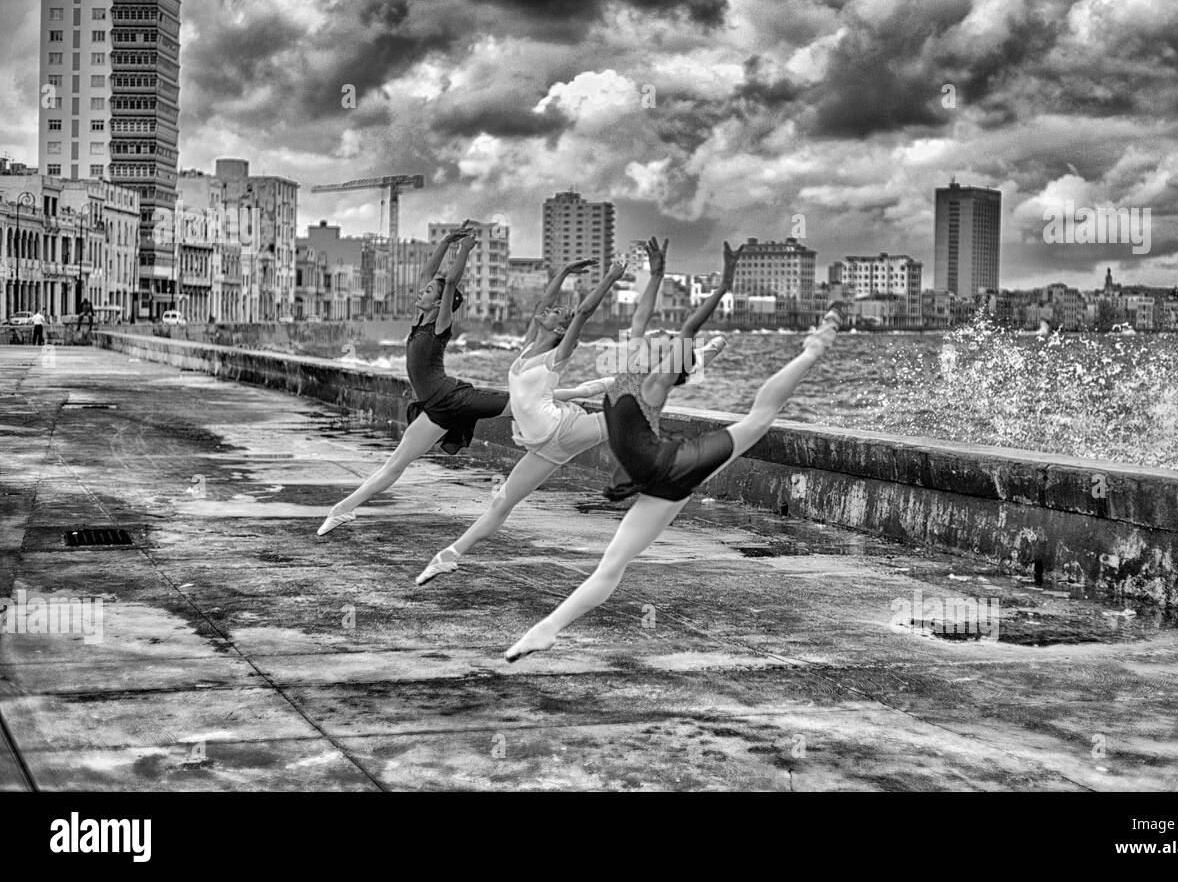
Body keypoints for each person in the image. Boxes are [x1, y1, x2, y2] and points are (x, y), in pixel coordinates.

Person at [505, 248, 841, 663]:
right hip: (661, 487)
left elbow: (687, 326)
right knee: (612, 564)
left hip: (674, 466)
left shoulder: (654, 383)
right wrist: (658, 274)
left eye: (660, 346)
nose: (652, 342)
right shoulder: (632, 368)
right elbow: (642, 317)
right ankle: (545, 631)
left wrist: (720, 288)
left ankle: (812, 349)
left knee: (757, 420)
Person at [415, 254, 628, 583]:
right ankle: (448, 556)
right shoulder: (529, 347)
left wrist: (611, 277)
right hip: (542, 448)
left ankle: (682, 366)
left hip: (565, 430)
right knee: (500, 505)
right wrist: (564, 269)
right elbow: (543, 301)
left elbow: (583, 313)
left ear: (560, 328)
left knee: (629, 412)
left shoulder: (557, 355)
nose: (549, 309)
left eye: (556, 312)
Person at [316, 223, 512, 536]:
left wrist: (464, 249)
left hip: (454, 397)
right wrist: (447, 241)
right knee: (394, 465)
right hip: (432, 410)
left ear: (439, 303)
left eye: (429, 293)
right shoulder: (419, 320)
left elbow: (449, 282)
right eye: (424, 290)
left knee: (521, 405)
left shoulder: (440, 323)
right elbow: (428, 274)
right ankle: (341, 510)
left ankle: (587, 404)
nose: (422, 292)